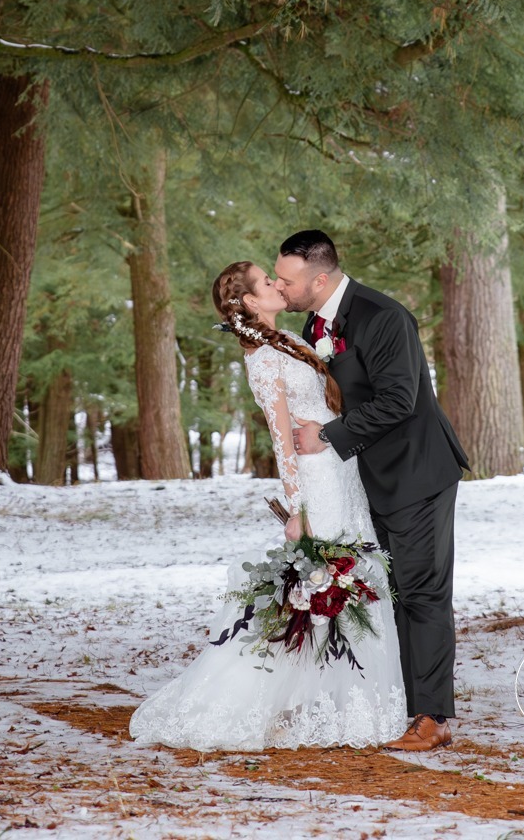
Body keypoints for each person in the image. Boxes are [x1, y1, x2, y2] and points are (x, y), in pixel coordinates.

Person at [128, 260, 407, 750]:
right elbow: (282, 441)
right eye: (267, 282)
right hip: (316, 483)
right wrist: (296, 510)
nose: (279, 284)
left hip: (340, 470)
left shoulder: (291, 341)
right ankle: (299, 704)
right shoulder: (262, 358)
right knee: (323, 589)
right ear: (252, 303)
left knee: (350, 581)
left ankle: (340, 700)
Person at [274, 229, 468, 752]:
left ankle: (432, 718)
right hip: (370, 479)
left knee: (423, 591)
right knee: (396, 592)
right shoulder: (315, 321)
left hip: (416, 472)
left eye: (286, 279)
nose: (279, 287)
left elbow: (401, 399)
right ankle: (407, 705)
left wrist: (328, 437)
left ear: (320, 277)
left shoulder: (383, 317)